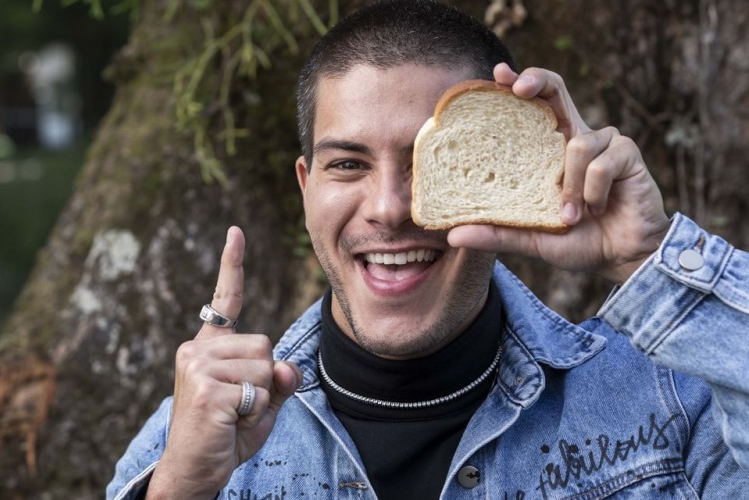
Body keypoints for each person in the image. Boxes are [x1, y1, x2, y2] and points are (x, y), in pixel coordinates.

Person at [107, 1, 749, 498]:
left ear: (504, 173)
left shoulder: (673, 402)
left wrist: (652, 257)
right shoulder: (188, 442)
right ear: (307, 188)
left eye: (428, 163)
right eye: (349, 164)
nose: (388, 207)